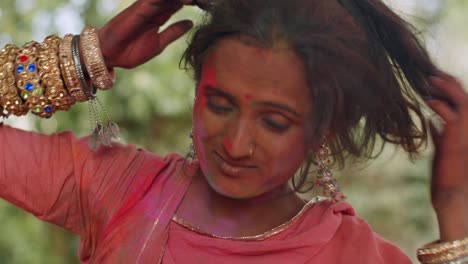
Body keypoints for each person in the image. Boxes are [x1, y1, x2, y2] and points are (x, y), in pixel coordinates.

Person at [0, 0, 467, 263]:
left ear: (326, 127)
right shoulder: (118, 189)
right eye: (220, 105)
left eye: (274, 122)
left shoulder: (351, 254)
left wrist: (455, 209)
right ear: (197, 88)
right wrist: (88, 55)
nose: (235, 144)